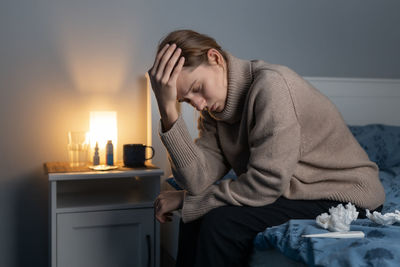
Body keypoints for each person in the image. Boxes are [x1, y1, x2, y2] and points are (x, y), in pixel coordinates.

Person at [148, 29, 385, 267]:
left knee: (220, 223)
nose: (198, 104)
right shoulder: (213, 112)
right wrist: (168, 111)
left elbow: (266, 183)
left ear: (215, 58)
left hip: (344, 195)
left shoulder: (272, 86)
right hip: (293, 191)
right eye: (186, 100)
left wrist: (187, 202)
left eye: (198, 87)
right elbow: (196, 181)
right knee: (195, 219)